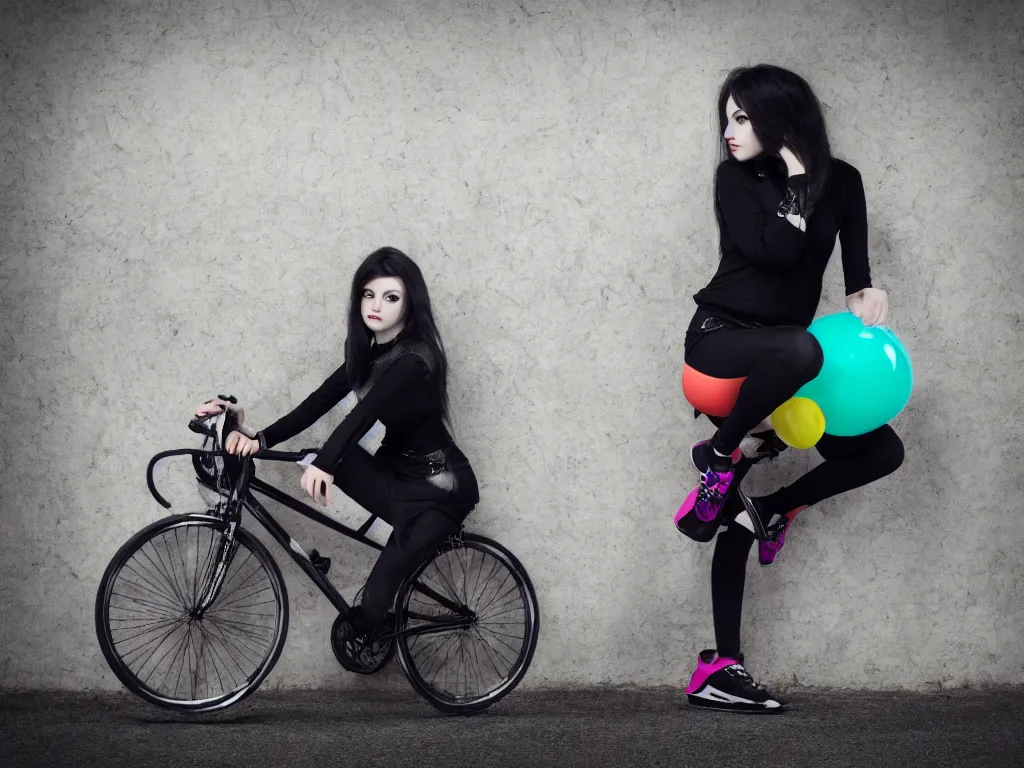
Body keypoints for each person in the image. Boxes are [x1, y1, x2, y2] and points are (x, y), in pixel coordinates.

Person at [680, 65, 905, 712]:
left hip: (788, 368)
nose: (727, 132)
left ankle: (722, 662)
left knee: (881, 450)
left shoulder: (846, 183)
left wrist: (870, 296)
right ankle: (720, 458)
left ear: (781, 117)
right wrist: (799, 177)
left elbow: (855, 278)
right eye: (725, 118)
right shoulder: (736, 180)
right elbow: (776, 250)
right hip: (721, 346)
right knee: (800, 347)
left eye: (742, 118)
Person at [196, 246, 479, 657]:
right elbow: (318, 403)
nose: (376, 306)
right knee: (317, 455)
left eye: (391, 297)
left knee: (374, 601)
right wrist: (258, 437)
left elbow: (362, 415)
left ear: (410, 303)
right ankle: (375, 593)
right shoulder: (370, 352)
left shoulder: (416, 358)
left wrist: (326, 464)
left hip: (442, 491)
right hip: (399, 478)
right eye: (368, 295)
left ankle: (380, 617)